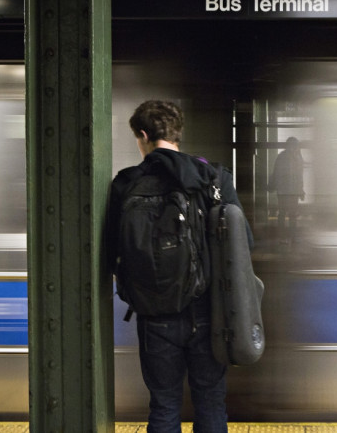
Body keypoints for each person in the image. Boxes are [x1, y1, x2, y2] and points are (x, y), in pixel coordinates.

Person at [107, 100, 247, 433]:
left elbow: (112, 251)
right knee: (210, 401)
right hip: (207, 314)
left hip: (154, 317)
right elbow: (244, 247)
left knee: (164, 405)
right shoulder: (214, 178)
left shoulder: (125, 184)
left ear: (142, 136)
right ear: (177, 134)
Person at [268, 136, 304, 244]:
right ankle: (287, 237)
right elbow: (298, 176)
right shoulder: (291, 158)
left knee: (287, 215)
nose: (294, 148)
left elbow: (299, 176)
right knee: (288, 215)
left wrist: (301, 190)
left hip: (287, 191)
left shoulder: (289, 157)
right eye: (294, 146)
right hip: (285, 191)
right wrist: (300, 189)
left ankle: (288, 237)